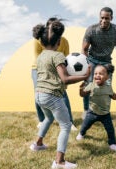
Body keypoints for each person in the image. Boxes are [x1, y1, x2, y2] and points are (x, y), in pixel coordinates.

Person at [30, 18, 90, 169]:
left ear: (42, 42)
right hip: (51, 96)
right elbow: (64, 79)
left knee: (48, 118)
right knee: (65, 125)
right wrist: (85, 76)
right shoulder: (58, 56)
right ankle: (59, 162)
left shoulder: (41, 56)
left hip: (39, 94)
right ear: (58, 42)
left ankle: (37, 144)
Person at [32, 17, 78, 131]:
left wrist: (63, 74)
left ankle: (69, 121)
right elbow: (38, 58)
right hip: (39, 68)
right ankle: (42, 120)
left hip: (58, 68)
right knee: (39, 92)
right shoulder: (38, 40)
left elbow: (66, 58)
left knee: (63, 94)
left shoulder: (64, 41)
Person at [81, 7, 116, 119]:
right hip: (92, 60)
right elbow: (84, 49)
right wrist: (87, 65)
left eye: (107, 18)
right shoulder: (91, 29)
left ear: (111, 18)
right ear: (99, 17)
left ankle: (104, 112)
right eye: (102, 18)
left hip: (106, 62)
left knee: (106, 87)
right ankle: (87, 111)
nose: (104, 20)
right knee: (88, 86)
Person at [76, 64, 116, 151]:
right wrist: (81, 89)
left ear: (107, 77)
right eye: (95, 73)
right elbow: (82, 95)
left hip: (105, 114)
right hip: (92, 112)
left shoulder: (108, 87)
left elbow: (114, 97)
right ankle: (81, 134)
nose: (97, 75)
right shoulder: (91, 85)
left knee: (110, 130)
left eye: (101, 73)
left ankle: (112, 143)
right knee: (85, 125)